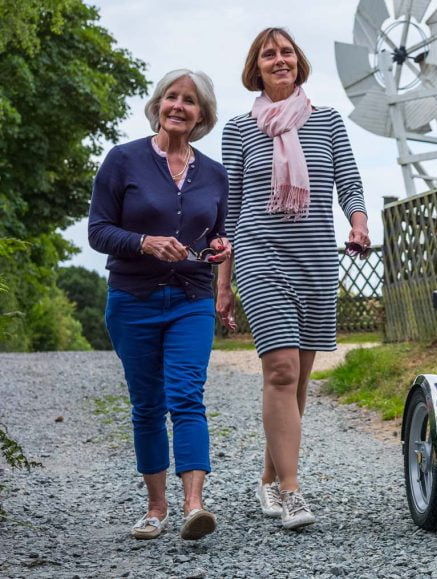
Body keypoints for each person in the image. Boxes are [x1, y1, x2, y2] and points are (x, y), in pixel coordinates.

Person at [217, 27, 370, 530]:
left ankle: (268, 477)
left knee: (299, 379)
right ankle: (292, 491)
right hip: (259, 253)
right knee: (280, 371)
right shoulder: (240, 130)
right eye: (268, 54)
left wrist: (358, 220)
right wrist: (224, 281)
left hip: (315, 259)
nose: (278, 59)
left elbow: (347, 179)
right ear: (255, 68)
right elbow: (231, 207)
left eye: (285, 52)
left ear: (297, 63)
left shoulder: (326, 122)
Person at [88, 69, 230, 541]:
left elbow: (217, 234)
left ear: (201, 115)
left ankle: (195, 505)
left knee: (187, 396)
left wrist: (220, 248)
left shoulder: (214, 173)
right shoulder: (122, 160)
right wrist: (145, 242)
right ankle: (156, 508)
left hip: (191, 298)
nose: (178, 106)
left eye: (189, 101)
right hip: (133, 298)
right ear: (158, 104)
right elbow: (98, 231)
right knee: (147, 405)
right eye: (172, 97)